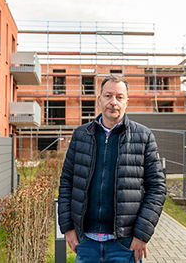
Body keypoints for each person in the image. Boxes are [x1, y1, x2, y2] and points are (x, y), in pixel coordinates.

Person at [58, 75, 166, 263]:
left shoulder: (144, 136)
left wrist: (142, 234)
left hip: (125, 244)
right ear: (99, 99)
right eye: (108, 96)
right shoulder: (81, 135)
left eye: (119, 97)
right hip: (86, 242)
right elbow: (66, 182)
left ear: (127, 102)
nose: (113, 102)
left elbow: (157, 188)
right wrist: (67, 228)